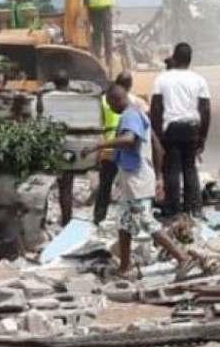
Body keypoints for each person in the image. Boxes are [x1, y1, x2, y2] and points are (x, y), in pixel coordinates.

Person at [81, 85, 192, 277]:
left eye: (110, 104)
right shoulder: (140, 115)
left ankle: (182, 257)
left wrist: (98, 145)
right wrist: (157, 176)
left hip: (136, 179)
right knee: (124, 223)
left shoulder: (130, 115)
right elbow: (158, 148)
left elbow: (129, 139)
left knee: (145, 221)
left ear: (117, 99)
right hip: (134, 178)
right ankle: (125, 266)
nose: (111, 108)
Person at [150, 42, 211, 219]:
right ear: (190, 59)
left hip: (171, 129)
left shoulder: (163, 79)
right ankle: (194, 208)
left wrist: (158, 134)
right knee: (190, 168)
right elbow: (205, 109)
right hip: (192, 128)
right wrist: (203, 137)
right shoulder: (199, 80)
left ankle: (173, 209)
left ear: (175, 58)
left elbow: (156, 107)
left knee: (172, 170)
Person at [94, 71, 147, 223]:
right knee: (129, 188)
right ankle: (134, 220)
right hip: (129, 153)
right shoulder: (137, 102)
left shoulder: (104, 100)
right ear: (130, 85)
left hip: (110, 148)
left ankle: (99, 218)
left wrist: (99, 146)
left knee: (105, 185)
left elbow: (99, 123)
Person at [40, 69, 80, 224]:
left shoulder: (46, 98)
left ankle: (41, 221)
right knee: (66, 187)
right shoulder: (76, 99)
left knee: (44, 186)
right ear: (68, 83)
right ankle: (66, 220)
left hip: (50, 146)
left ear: (53, 84)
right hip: (70, 145)